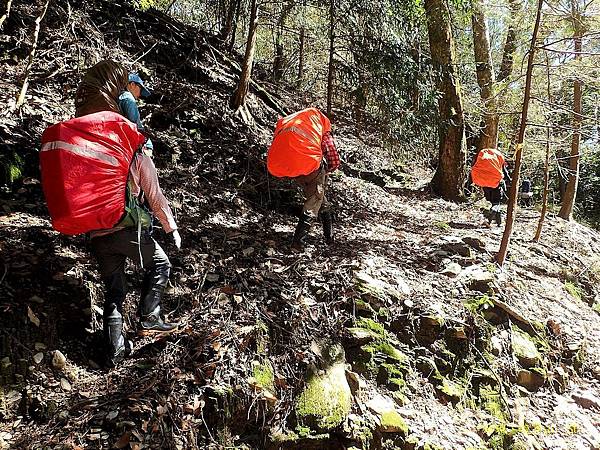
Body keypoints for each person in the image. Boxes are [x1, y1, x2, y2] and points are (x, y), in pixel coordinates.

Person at [88, 71, 182, 367]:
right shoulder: (139, 157)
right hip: (125, 229)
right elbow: (155, 198)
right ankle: (150, 316)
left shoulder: (100, 156)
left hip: (97, 234)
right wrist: (172, 229)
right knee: (161, 263)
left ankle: (115, 353)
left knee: (114, 291)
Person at [266, 108, 341, 250]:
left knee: (318, 196)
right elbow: (332, 154)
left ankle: (329, 237)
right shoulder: (321, 124)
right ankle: (298, 243)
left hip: (284, 164)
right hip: (307, 162)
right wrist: (329, 168)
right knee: (314, 200)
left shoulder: (297, 120)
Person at [471, 147, 511, 226]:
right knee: (496, 202)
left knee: (494, 203)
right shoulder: (498, 160)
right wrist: (509, 180)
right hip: (495, 184)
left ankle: (498, 223)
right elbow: (505, 172)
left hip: (484, 184)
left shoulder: (482, 157)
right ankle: (490, 215)